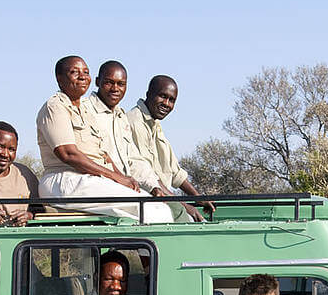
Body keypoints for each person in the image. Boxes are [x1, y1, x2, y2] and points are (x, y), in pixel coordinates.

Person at [36, 56, 174, 223]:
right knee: (153, 211)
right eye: (74, 72)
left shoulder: (84, 110)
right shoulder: (56, 106)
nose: (82, 77)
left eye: (85, 72)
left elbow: (103, 155)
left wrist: (124, 178)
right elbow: (68, 154)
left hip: (90, 179)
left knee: (159, 207)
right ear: (59, 78)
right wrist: (116, 178)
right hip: (65, 178)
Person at [86, 62, 200, 222]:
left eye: (171, 100)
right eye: (109, 82)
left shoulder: (126, 118)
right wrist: (175, 200)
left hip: (141, 188)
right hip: (113, 187)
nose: (115, 88)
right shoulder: (129, 120)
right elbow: (96, 158)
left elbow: (161, 169)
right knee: (175, 215)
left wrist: (197, 197)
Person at [127, 75, 213, 217]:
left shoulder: (154, 123)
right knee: (186, 218)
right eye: (162, 96)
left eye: (171, 100)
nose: (166, 103)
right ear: (149, 94)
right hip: (148, 196)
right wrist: (183, 206)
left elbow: (175, 172)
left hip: (164, 197)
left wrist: (198, 198)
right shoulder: (135, 122)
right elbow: (147, 176)